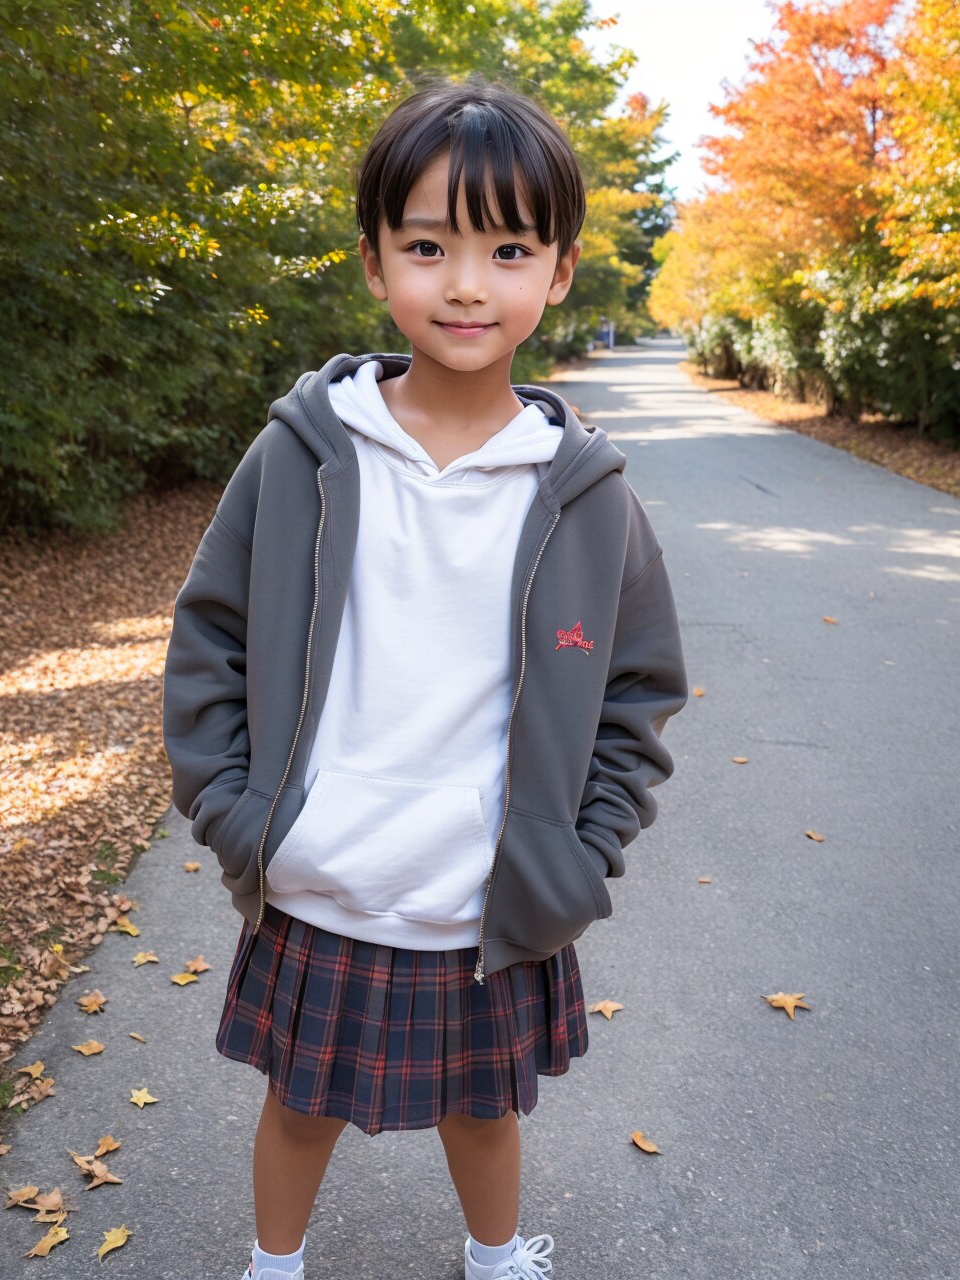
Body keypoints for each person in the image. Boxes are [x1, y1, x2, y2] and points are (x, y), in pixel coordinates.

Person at [162, 71, 689, 1280]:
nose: (464, 283)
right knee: (299, 1104)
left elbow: (637, 688)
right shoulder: (300, 454)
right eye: (425, 245)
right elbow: (210, 636)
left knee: (483, 1109)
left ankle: (495, 1257)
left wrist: (576, 850)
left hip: (487, 894)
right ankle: (273, 1265)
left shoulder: (585, 493)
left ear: (558, 271)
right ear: (372, 261)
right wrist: (239, 812)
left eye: (507, 249)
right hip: (318, 878)